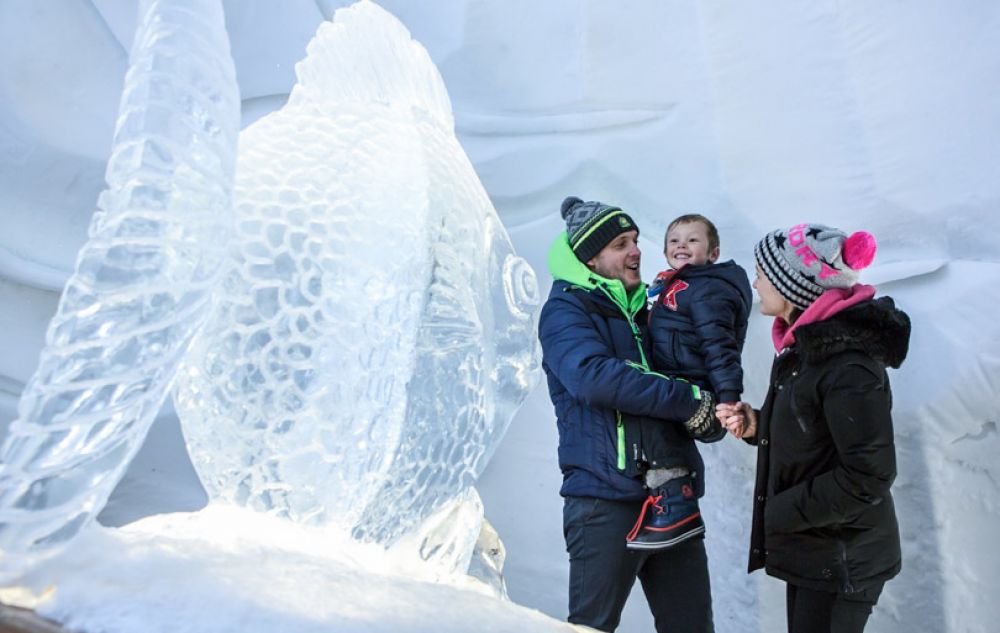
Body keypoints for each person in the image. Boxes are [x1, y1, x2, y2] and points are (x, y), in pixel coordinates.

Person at [717, 223, 910, 633]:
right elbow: (814, 432)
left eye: (762, 273)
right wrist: (758, 425)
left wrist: (781, 511)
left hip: (842, 558)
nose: (755, 281)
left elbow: (868, 475)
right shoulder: (805, 349)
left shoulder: (848, 366)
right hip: (816, 548)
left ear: (795, 285)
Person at [538, 196, 718, 633]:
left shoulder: (648, 308)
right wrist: (688, 400)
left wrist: (711, 409)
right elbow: (595, 378)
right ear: (591, 257)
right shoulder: (566, 310)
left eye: (635, 240)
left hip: (672, 492)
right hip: (605, 500)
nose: (635, 250)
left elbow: (684, 378)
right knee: (591, 628)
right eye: (620, 243)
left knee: (692, 628)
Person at [625, 214, 752, 550]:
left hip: (694, 384)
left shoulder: (708, 289)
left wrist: (728, 397)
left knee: (655, 413)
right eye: (674, 240)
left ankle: (677, 503)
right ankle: (669, 498)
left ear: (713, 253)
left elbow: (719, 346)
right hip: (671, 377)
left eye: (692, 240)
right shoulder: (667, 284)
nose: (681, 245)